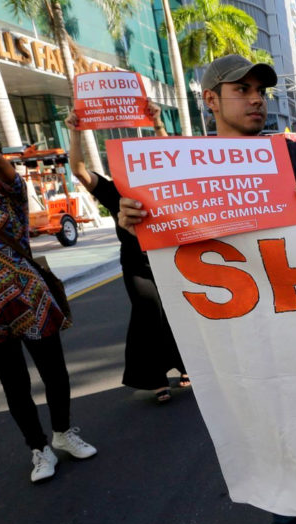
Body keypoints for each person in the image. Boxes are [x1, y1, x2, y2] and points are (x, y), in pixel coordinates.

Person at [116, 54, 296, 524]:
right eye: (240, 89)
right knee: (275, 431)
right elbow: (154, 247)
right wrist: (131, 217)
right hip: (237, 328)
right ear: (210, 100)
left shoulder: (290, 155)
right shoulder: (179, 169)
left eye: (259, 90)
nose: (254, 98)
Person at [0, 118, 97, 483]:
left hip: (30, 298)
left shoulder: (9, 191)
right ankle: (38, 449)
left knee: (53, 372)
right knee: (14, 385)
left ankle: (63, 432)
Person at [65, 102, 190, 403]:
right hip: (137, 265)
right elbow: (79, 170)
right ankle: (154, 378)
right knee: (148, 315)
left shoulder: (169, 186)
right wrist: (75, 132)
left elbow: (176, 161)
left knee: (180, 313)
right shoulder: (113, 191)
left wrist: (157, 124)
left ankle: (187, 366)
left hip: (172, 262)